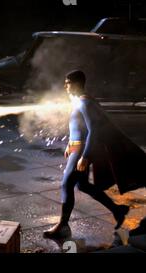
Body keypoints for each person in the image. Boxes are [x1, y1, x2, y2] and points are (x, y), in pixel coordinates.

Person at [43, 70, 146, 239]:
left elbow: (93, 130)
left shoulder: (85, 103)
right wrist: (70, 143)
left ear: (76, 83)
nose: (65, 86)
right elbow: (79, 126)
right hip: (77, 148)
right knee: (82, 185)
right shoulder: (80, 101)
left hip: (82, 150)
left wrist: (86, 156)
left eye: (67, 82)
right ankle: (118, 210)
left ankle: (63, 226)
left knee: (66, 184)